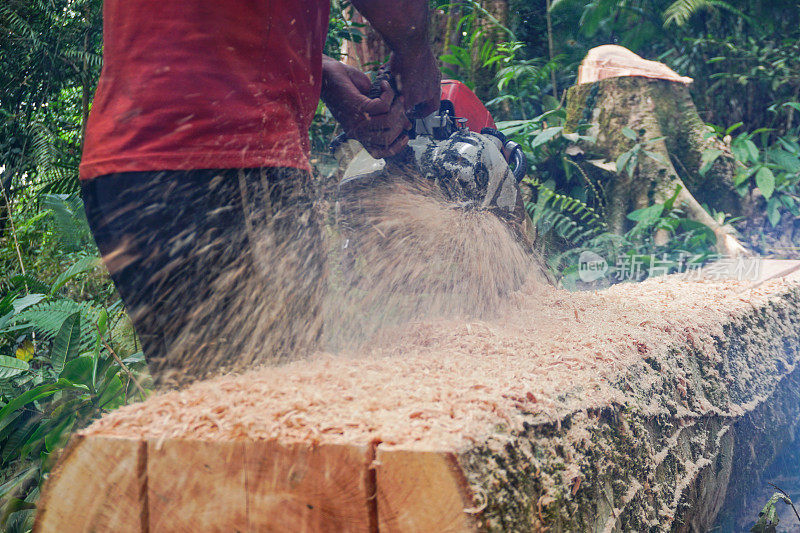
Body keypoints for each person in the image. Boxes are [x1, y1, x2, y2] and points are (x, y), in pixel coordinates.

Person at [79, 1, 441, 387]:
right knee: (272, 410)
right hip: (229, 163)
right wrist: (414, 53)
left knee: (203, 407)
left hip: (127, 166)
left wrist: (315, 71)